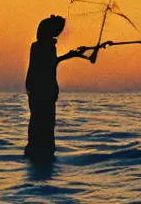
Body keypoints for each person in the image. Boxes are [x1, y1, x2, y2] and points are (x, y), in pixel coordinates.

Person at [24, 15, 92, 161]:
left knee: (38, 124)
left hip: (38, 92)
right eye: (56, 30)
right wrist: (71, 55)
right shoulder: (46, 47)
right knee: (45, 125)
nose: (58, 33)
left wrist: (70, 55)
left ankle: (37, 153)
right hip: (44, 93)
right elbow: (49, 64)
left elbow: (50, 62)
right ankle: (42, 154)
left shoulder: (38, 46)